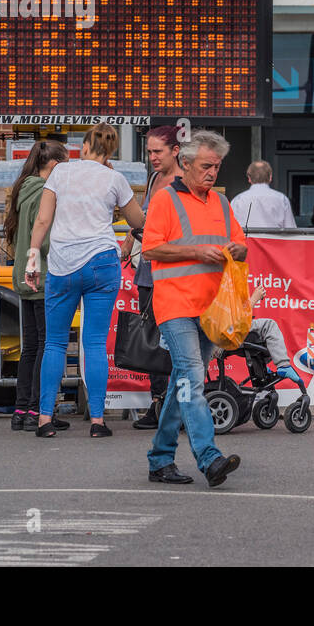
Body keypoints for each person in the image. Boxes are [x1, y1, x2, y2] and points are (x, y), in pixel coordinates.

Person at [142, 130, 247, 488]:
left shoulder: (220, 203)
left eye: (216, 166)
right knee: (192, 377)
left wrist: (239, 251)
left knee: (182, 383)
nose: (212, 173)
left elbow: (241, 243)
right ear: (185, 164)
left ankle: (160, 458)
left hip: (210, 307)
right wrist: (196, 253)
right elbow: (151, 249)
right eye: (206, 166)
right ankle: (208, 456)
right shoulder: (165, 200)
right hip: (175, 304)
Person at [26, 124, 145, 438]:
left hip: (63, 265)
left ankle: (45, 420)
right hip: (102, 263)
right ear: (111, 151)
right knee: (93, 343)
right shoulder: (114, 179)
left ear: (85, 146)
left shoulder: (61, 173)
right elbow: (138, 221)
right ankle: (97, 421)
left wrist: (33, 254)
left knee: (54, 343)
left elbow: (43, 219)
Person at [2, 140, 68, 432]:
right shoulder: (45, 193)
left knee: (30, 347)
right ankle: (38, 410)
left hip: (23, 275)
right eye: (64, 165)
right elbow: (48, 238)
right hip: (43, 276)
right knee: (47, 344)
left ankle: (21, 408)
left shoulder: (22, 189)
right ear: (53, 165)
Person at [129, 124, 181, 431]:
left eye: (157, 151)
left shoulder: (181, 184)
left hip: (171, 274)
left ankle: (174, 406)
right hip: (148, 274)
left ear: (175, 151)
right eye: (149, 152)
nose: (152, 157)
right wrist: (127, 244)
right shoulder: (153, 179)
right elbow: (145, 220)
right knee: (151, 340)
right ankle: (158, 403)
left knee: (173, 340)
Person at [230, 160, 296, 231]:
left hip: (246, 241)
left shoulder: (237, 200)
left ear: (249, 178)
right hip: (272, 242)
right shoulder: (281, 199)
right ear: (270, 177)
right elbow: (291, 231)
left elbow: (230, 229)